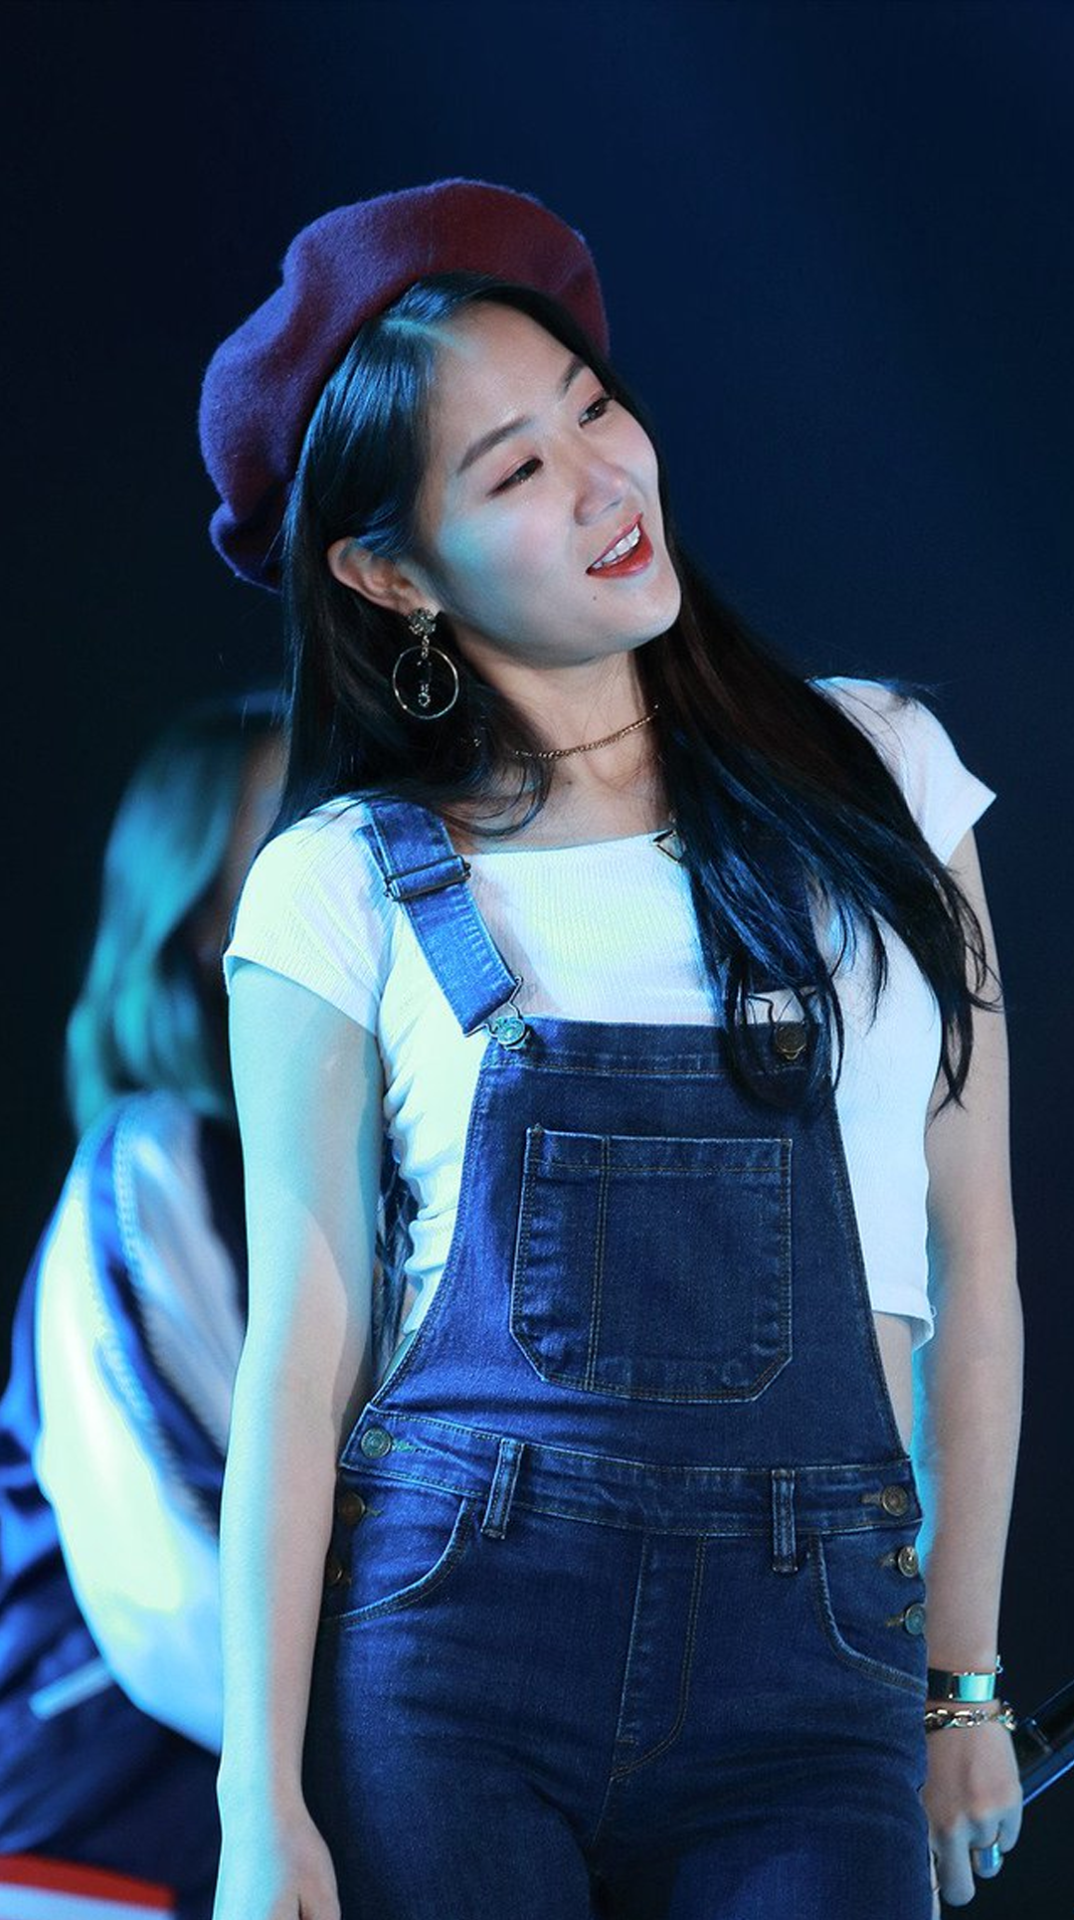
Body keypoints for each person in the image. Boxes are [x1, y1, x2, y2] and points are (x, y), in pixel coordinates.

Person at [199, 180, 1023, 1920]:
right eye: (512, 470)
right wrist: (255, 1804)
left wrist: (961, 1683)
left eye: (590, 411)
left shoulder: (878, 774)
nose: (600, 482)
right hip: (456, 1656)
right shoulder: (340, 882)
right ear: (386, 573)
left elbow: (974, 1263)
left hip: (817, 1662)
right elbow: (298, 1352)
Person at [0, 693, 284, 1918]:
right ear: (199, 918)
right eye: (292, 825)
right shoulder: (156, 1159)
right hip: (97, 1844)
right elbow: (182, 1579)